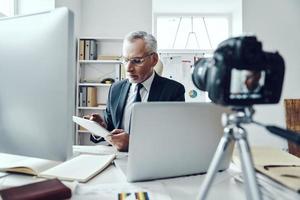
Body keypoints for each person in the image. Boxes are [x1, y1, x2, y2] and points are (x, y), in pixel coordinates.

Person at [88, 31, 185, 152]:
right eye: (125, 59)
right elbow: (111, 129)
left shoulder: (173, 91)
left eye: (137, 61)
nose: (128, 68)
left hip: (152, 160)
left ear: (154, 59)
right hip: (117, 160)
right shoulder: (115, 89)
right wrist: (100, 129)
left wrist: (133, 143)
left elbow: (174, 137)